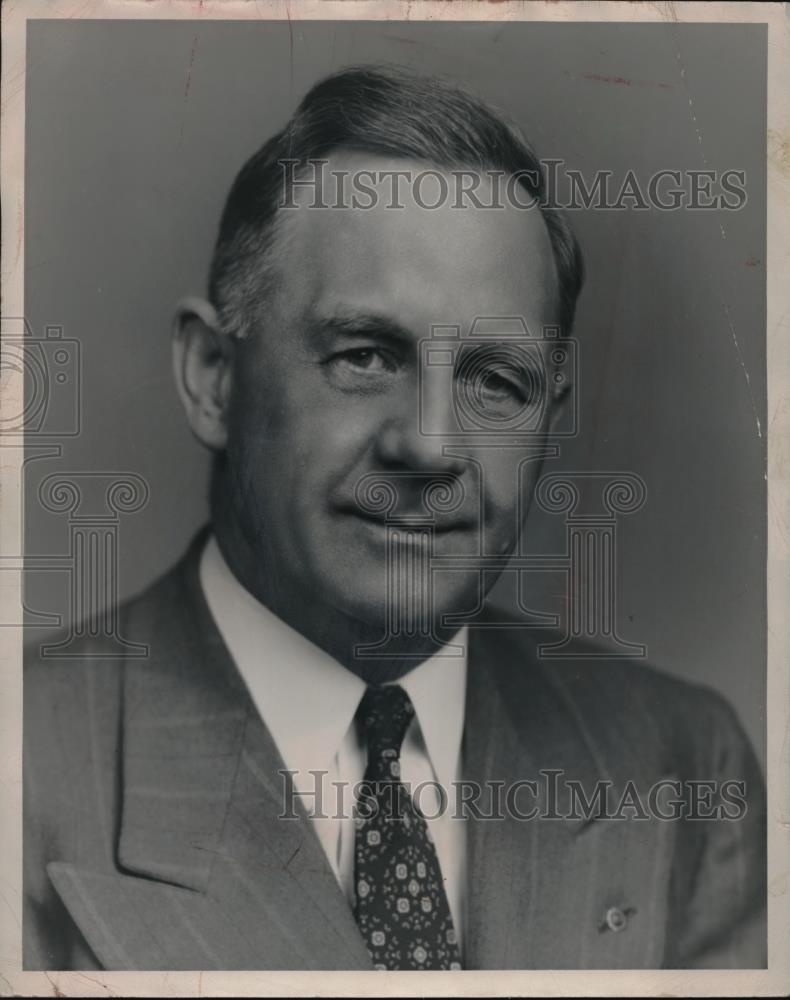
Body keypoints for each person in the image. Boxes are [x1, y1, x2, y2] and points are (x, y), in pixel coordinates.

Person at [23, 65, 766, 971]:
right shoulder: (23, 773)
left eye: (498, 381)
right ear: (213, 377)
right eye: (367, 355)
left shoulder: (683, 768)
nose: (431, 448)